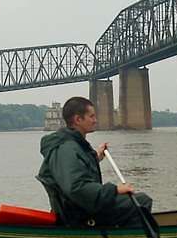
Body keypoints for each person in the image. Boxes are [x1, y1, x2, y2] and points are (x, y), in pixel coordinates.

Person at [36, 96, 152, 228]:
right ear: (78, 120)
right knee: (142, 201)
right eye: (91, 116)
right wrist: (115, 190)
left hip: (79, 208)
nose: (95, 120)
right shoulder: (67, 149)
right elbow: (76, 187)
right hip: (80, 215)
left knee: (136, 201)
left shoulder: (71, 144)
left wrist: (95, 157)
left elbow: (75, 167)